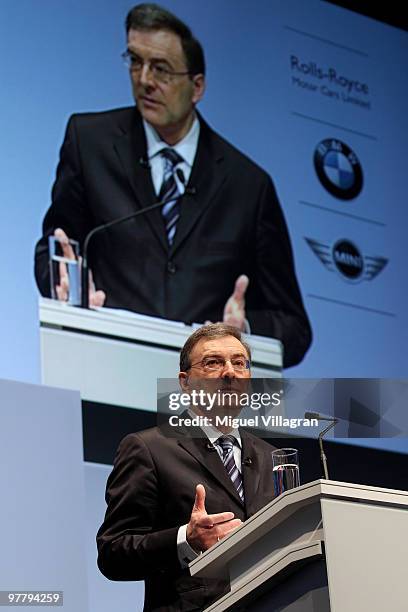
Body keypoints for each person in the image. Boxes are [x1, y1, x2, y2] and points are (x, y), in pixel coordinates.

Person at [34, 3, 311, 367]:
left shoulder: (248, 187)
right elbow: (54, 248)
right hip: (104, 373)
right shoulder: (90, 143)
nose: (144, 79)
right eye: (135, 61)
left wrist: (243, 330)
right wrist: (64, 282)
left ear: (197, 87)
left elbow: (293, 326)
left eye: (161, 69)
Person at [97, 322, 277, 611]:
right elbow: (113, 553)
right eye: (213, 363)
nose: (229, 372)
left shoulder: (271, 457)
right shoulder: (149, 448)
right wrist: (186, 540)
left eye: (239, 363)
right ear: (185, 382)